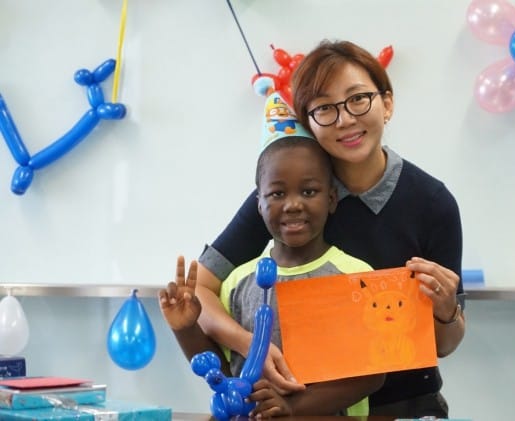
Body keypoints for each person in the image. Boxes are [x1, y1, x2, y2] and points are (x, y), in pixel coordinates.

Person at [195, 40, 466, 418]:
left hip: (405, 407)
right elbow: (200, 290)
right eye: (324, 108)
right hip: (300, 409)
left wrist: (445, 309)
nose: (345, 120)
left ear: (386, 104)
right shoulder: (289, 199)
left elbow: (444, 344)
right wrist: (249, 343)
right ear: (309, 122)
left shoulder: (431, 203)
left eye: (359, 99)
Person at [160, 94, 384, 417]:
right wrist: (185, 328)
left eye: (309, 191)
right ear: (259, 205)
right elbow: (223, 372)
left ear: (332, 198)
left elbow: (372, 374)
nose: (293, 204)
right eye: (277, 193)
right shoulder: (238, 282)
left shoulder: (355, 276)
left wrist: (293, 408)